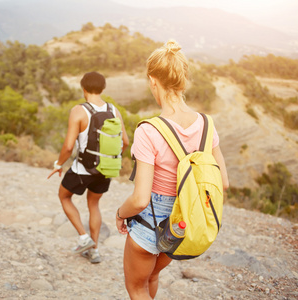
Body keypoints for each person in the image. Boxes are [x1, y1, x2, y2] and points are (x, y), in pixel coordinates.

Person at [115, 40, 229, 299]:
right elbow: (223, 183)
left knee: (136, 287)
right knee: (153, 276)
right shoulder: (207, 124)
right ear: (182, 80)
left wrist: (121, 214)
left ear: (153, 80)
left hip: (150, 221)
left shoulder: (149, 130)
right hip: (182, 224)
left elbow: (140, 198)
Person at [48, 71, 129, 264]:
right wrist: (111, 158)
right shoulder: (113, 110)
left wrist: (58, 165)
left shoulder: (79, 110)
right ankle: (94, 251)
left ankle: (84, 238)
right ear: (103, 89)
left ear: (83, 88)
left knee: (64, 196)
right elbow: (125, 141)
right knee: (94, 204)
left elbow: (68, 146)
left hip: (83, 169)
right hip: (105, 169)